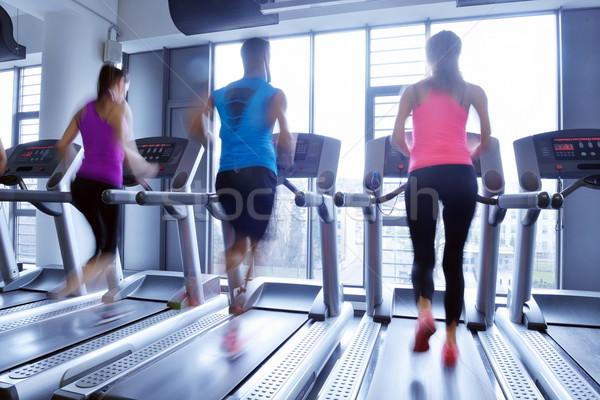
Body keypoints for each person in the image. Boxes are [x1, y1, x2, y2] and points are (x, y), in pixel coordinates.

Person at [391, 30, 491, 367]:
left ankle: (423, 315)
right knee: (454, 258)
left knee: (423, 255)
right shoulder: (472, 91)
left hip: (422, 175)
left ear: (428, 55)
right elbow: (486, 143)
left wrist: (416, 155)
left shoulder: (414, 90)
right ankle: (450, 343)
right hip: (462, 175)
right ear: (458, 54)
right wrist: (467, 152)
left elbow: (395, 139)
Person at [189, 37, 295, 315]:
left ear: (243, 58)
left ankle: (238, 295)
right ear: (265, 58)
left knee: (241, 239)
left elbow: (195, 127)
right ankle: (238, 293)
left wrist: (210, 137)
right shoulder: (274, 93)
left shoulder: (220, 93)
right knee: (257, 242)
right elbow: (285, 137)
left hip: (226, 176)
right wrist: (287, 161)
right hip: (258, 172)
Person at [54, 64, 157, 301]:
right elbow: (126, 148)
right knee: (108, 249)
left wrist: (75, 171)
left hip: (80, 185)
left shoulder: (84, 109)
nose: (125, 93)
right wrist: (147, 168)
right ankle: (70, 287)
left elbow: (62, 145)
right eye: (126, 88)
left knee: (100, 242)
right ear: (120, 84)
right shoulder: (120, 109)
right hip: (107, 188)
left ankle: (101, 288)